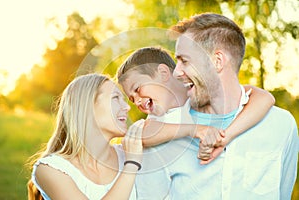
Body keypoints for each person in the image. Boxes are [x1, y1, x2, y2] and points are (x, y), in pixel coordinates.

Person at [117, 46, 276, 199]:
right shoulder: (158, 120)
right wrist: (195, 130)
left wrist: (225, 137)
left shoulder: (201, 96)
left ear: (164, 73)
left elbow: (265, 98)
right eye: (131, 99)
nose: (137, 101)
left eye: (137, 89)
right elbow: (142, 134)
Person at [168, 13, 298, 199]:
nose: (176, 72)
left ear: (217, 61)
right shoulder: (168, 127)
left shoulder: (281, 125)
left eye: (185, 61)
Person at [27, 73, 144, 200]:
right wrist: (131, 164)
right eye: (115, 98)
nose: (127, 107)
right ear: (88, 106)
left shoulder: (130, 152)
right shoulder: (50, 169)